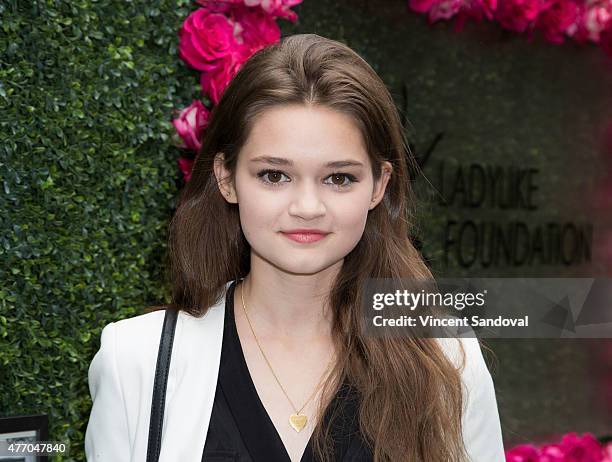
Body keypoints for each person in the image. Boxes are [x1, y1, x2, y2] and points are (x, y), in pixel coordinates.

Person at [84, 33, 505, 462]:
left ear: (379, 185)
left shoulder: (446, 359)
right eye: (274, 175)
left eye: (339, 178)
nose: (307, 208)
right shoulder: (136, 360)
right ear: (226, 179)